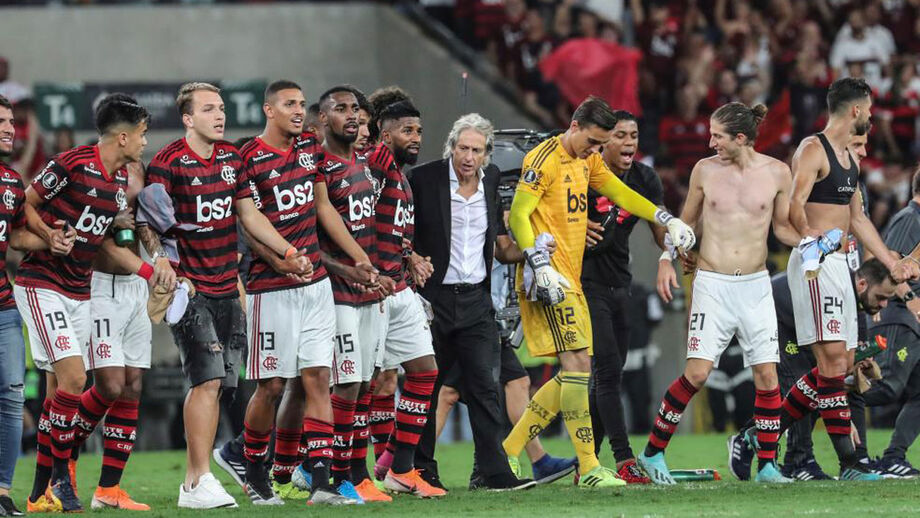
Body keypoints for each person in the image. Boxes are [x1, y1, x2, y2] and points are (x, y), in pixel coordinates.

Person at [502, 96, 694, 488]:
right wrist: (538, 263)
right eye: (592, 141)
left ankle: (511, 447)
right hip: (549, 276)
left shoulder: (587, 160)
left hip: (570, 276)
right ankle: (589, 467)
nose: (594, 150)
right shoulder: (543, 160)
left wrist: (666, 217)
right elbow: (519, 215)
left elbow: (621, 193)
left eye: (599, 144)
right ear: (574, 126)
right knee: (580, 367)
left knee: (576, 371)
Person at [143, 82, 307, 509]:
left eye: (221, 108)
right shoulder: (167, 163)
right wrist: (161, 260)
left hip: (228, 287)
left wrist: (288, 251)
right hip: (190, 288)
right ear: (187, 118)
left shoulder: (233, 159)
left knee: (223, 387)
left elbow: (249, 215)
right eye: (209, 109)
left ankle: (200, 477)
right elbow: (148, 221)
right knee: (207, 381)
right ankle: (197, 480)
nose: (219, 116)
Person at [642, 102, 800, 485]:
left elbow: (782, 228)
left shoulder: (778, 173)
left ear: (740, 138)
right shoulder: (704, 170)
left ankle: (767, 466)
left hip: (756, 285)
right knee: (697, 374)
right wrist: (666, 258)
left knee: (767, 376)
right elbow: (686, 223)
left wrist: (813, 243)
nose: (710, 142)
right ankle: (652, 453)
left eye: (717, 136)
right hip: (712, 284)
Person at [780, 77, 916, 480]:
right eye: (869, 111)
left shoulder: (849, 158)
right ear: (855, 110)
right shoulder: (812, 149)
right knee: (832, 361)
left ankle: (759, 434)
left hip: (842, 265)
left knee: (842, 365)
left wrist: (890, 263)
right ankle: (851, 463)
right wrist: (812, 240)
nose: (871, 118)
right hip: (816, 263)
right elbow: (794, 206)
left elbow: (858, 219)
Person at [17, 94, 146, 513]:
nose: (145, 142)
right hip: (42, 283)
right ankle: (61, 477)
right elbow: (25, 203)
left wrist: (145, 267)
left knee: (59, 392)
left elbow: (98, 238)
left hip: (79, 289)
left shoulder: (119, 181)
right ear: (123, 136)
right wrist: (49, 235)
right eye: (142, 133)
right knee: (74, 379)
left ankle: (38, 493)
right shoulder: (70, 164)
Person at [410, 113, 538, 491]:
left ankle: (492, 472)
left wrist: (534, 251)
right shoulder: (423, 179)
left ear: (486, 154)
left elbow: (501, 246)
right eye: (463, 148)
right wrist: (410, 259)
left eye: (476, 150)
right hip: (433, 300)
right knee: (427, 388)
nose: (468, 157)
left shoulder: (492, 179)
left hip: (476, 301)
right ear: (451, 147)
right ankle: (421, 470)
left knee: (486, 388)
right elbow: (402, 229)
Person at [581, 109, 665, 484]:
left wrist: (672, 254)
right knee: (608, 372)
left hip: (621, 285)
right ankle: (624, 459)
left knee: (608, 376)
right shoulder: (584, 174)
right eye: (620, 135)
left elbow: (659, 228)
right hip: (585, 283)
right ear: (603, 141)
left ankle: (587, 464)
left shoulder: (645, 178)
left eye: (634, 135)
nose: (629, 142)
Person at [0, 93, 45, 517]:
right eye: (0, 122)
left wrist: (54, 239)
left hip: (4, 308)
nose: (9, 129)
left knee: (13, 397)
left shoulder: (12, 183)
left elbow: (17, 236)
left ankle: (2, 491)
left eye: (11, 122)